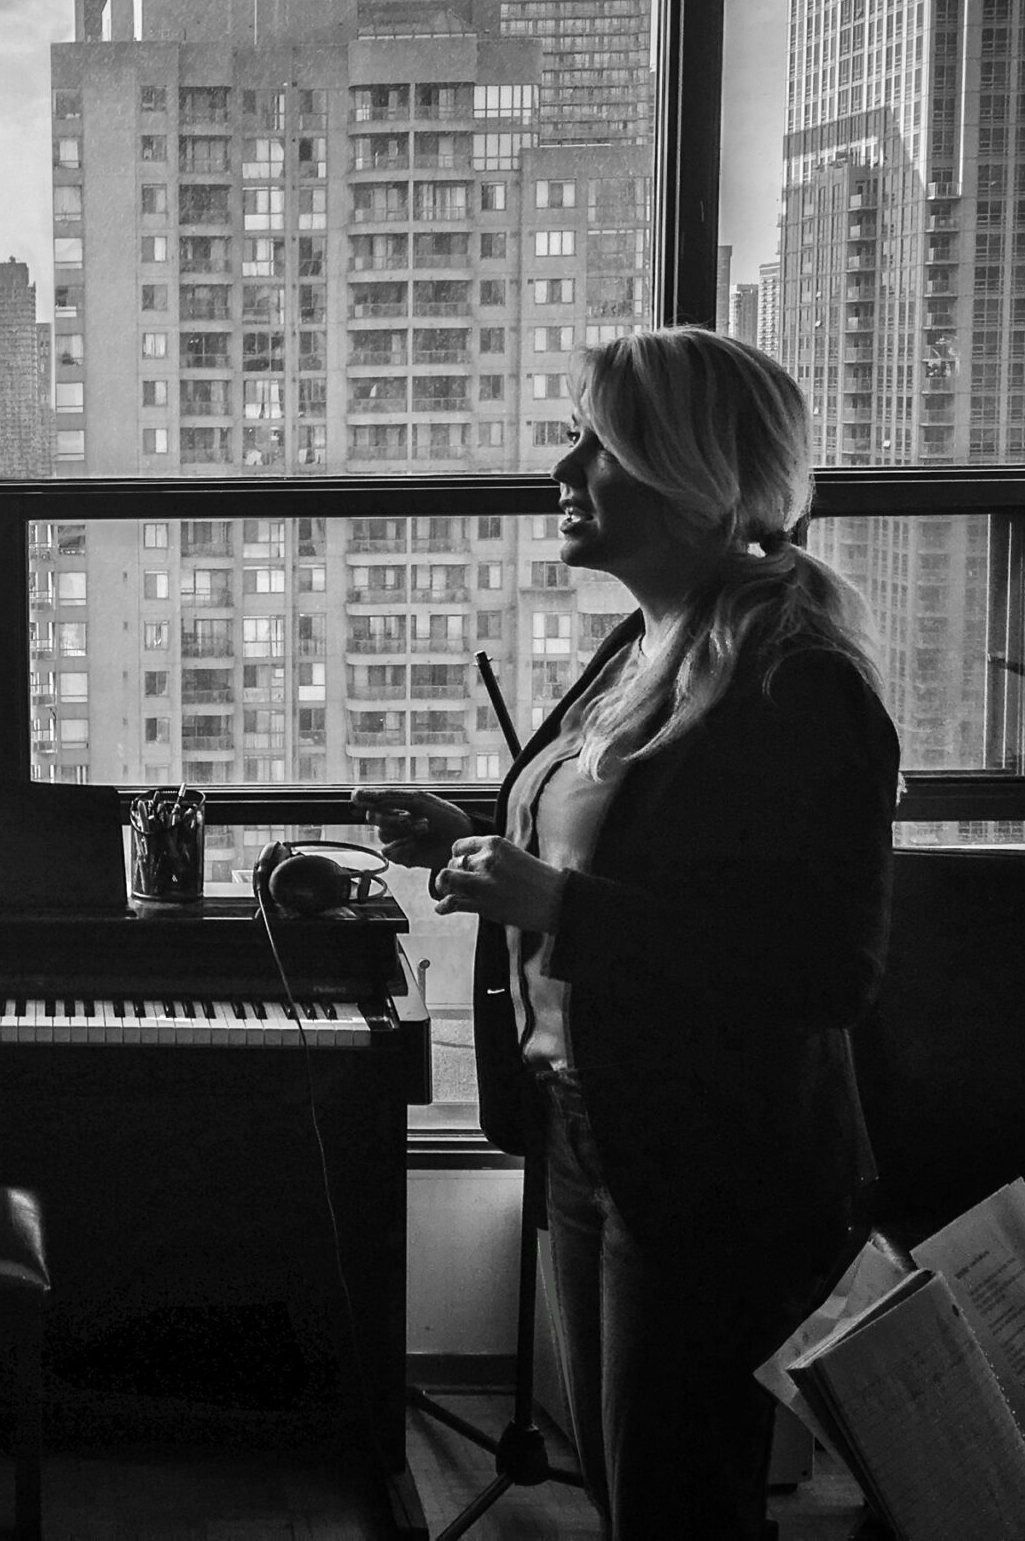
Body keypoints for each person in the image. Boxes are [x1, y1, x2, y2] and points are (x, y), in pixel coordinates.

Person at [357, 327, 898, 1540]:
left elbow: (827, 969)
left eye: (593, 444)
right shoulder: (640, 646)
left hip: (716, 1165)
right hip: (587, 1133)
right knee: (627, 1489)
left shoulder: (799, 684)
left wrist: (558, 909)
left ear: (690, 475)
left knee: (678, 1506)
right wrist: (470, 838)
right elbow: (637, 857)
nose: (562, 471)